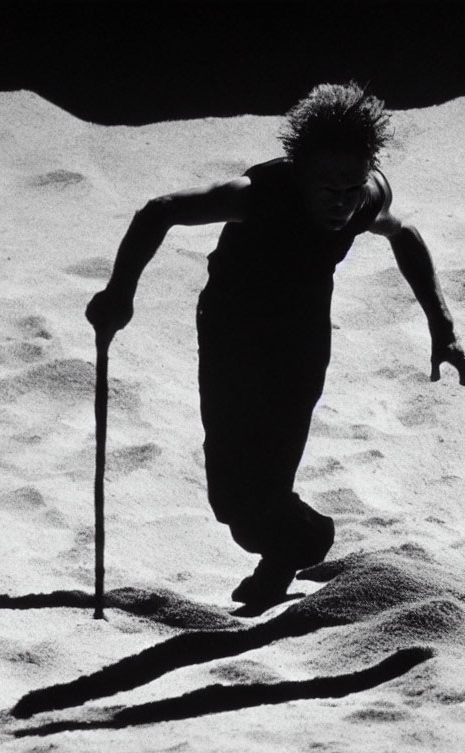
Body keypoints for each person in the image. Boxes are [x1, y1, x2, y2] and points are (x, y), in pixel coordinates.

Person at [85, 82, 465, 607]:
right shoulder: (260, 195)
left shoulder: (365, 199)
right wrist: (119, 293)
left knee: (266, 489)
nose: (341, 202)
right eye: (327, 187)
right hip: (230, 335)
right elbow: (161, 210)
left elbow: (404, 235)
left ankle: (295, 549)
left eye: (351, 187)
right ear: (299, 170)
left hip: (301, 340)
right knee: (231, 502)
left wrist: (442, 327)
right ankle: (297, 540)